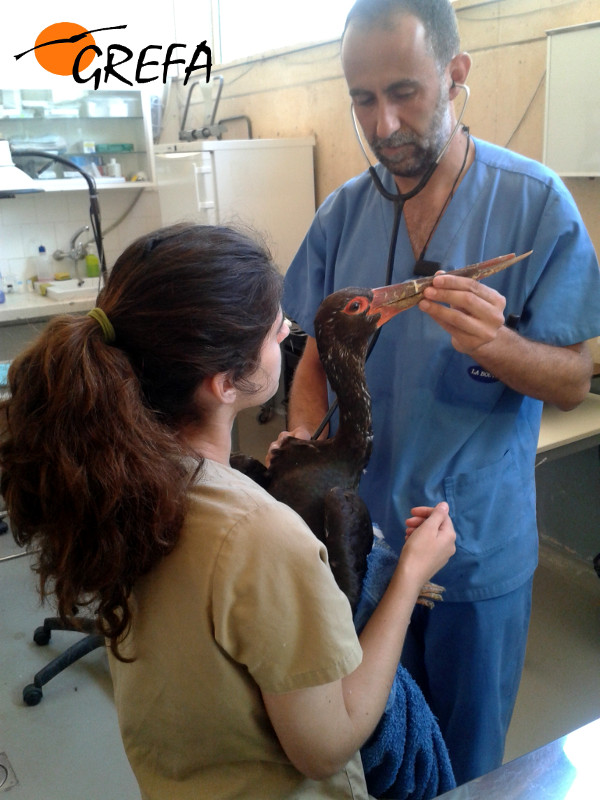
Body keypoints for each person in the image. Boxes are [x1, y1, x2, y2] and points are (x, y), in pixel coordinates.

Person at [0, 223, 456, 799]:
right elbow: (325, 745)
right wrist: (409, 575)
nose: (288, 329)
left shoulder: (120, 481)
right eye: (274, 330)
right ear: (224, 383)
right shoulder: (264, 539)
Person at [278, 0, 600, 786]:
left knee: (460, 768)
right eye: (361, 98)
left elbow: (573, 381)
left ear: (456, 76)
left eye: (404, 92)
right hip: (356, 546)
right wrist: (308, 471)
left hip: (473, 545)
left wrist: (501, 345)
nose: (383, 123)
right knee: (377, 755)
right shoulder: (342, 214)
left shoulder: (535, 204)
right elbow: (314, 358)